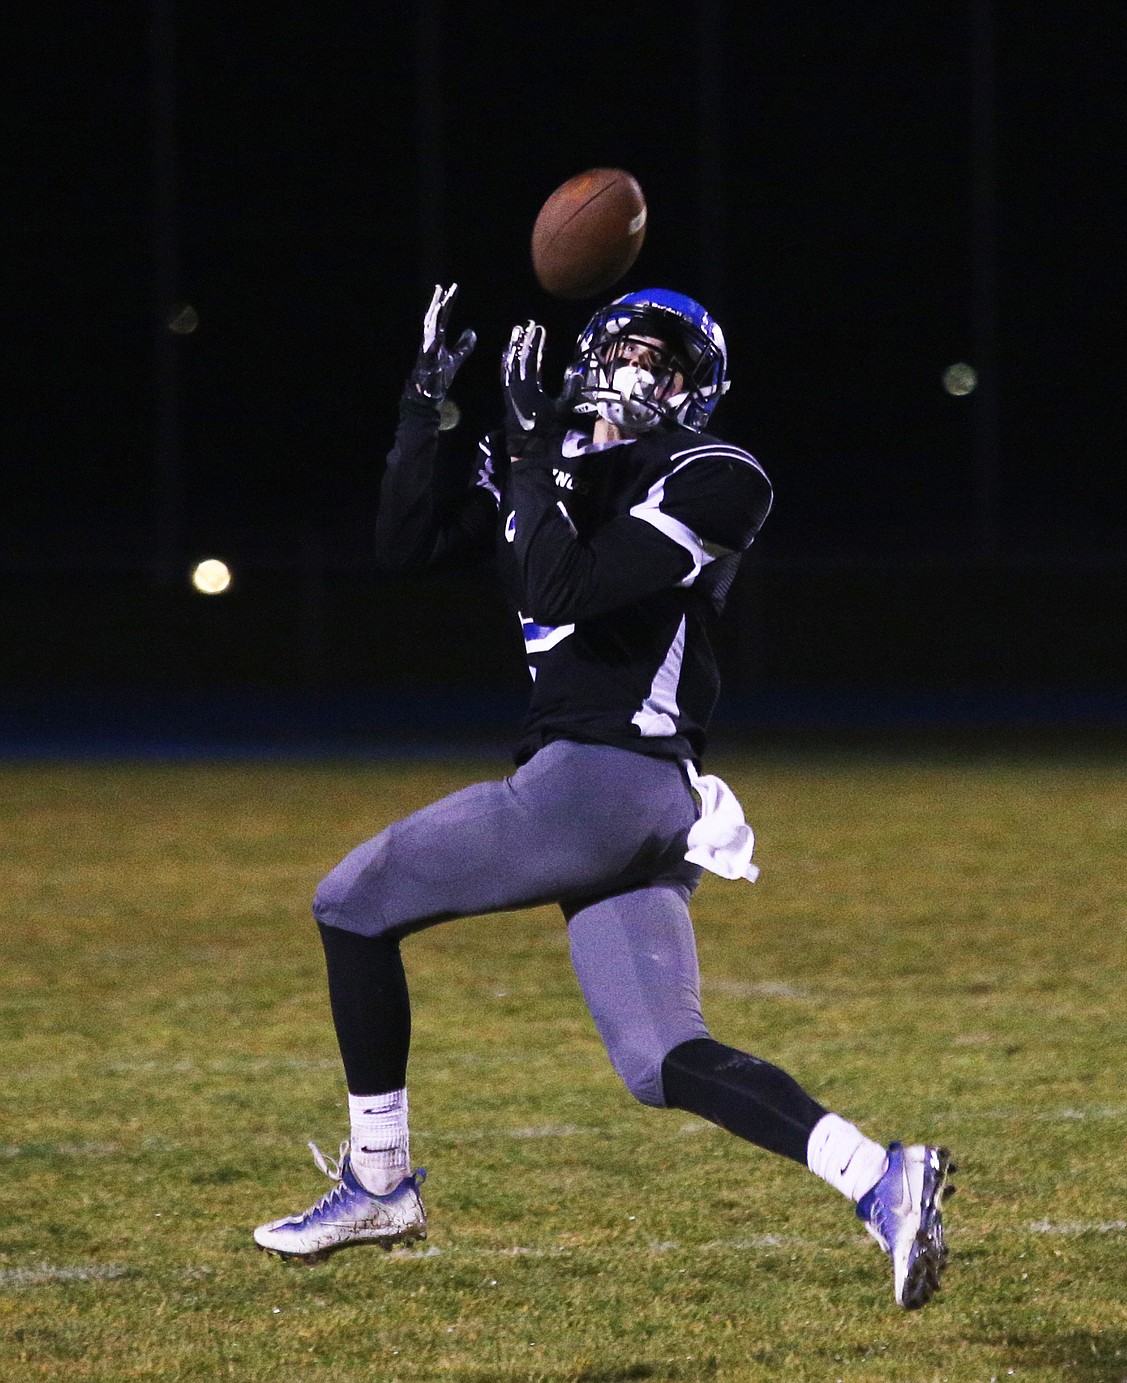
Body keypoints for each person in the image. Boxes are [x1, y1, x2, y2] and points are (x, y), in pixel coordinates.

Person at [252, 284, 955, 1309]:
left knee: (351, 903)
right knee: (661, 1059)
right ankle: (880, 1177)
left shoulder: (713, 473)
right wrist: (423, 409)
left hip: (601, 779)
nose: (637, 373)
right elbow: (404, 543)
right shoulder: (555, 454)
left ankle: (379, 1181)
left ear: (695, 392)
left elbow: (557, 588)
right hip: (633, 808)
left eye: (662, 363)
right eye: (624, 349)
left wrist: (534, 454)